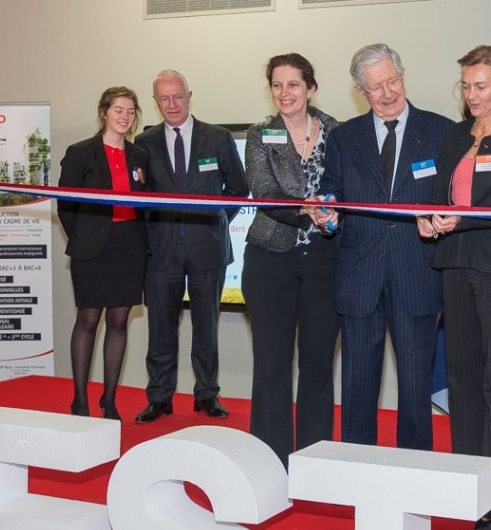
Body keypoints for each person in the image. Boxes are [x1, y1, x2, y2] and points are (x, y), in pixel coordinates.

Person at [417, 45, 491, 530]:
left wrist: (455, 219)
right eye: (466, 86)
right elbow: (434, 192)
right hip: (455, 263)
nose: (472, 95)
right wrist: (427, 217)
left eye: (481, 85)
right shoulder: (453, 135)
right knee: (462, 379)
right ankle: (468, 483)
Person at [314, 44, 452, 450]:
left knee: (414, 384)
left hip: (418, 272)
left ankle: (415, 470)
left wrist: (444, 217)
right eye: (376, 87)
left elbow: (452, 198)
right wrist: (326, 210)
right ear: (361, 90)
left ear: (403, 75)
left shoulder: (443, 130)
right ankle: (358, 468)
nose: (388, 93)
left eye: (392, 81)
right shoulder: (343, 137)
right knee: (357, 384)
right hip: (360, 275)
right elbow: (331, 191)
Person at [133, 70, 248, 423]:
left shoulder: (217, 137)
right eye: (163, 98)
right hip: (162, 250)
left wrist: (213, 221)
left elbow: (238, 189)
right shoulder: (144, 142)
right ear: (155, 101)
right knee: (160, 329)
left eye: (177, 97)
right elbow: (139, 196)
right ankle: (160, 397)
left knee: (206, 327)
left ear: (189, 96)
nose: (171, 105)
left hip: (207, 248)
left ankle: (207, 395)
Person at [243, 53, 339, 468]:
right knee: (271, 363)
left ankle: (315, 459)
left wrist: (331, 210)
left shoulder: (339, 132)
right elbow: (264, 192)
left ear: (311, 88)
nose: (285, 93)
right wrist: (307, 207)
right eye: (277, 85)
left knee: (318, 363)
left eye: (293, 85)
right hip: (270, 260)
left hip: (325, 260)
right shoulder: (260, 134)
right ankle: (269, 458)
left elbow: (347, 185)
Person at [58, 87, 149, 421]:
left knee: (119, 321)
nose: (125, 117)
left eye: (130, 111)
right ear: (103, 113)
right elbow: (65, 205)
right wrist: (83, 239)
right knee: (88, 319)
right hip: (92, 248)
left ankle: (109, 400)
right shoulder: (81, 152)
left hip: (130, 246)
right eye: (118, 110)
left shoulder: (140, 156)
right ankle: (79, 400)